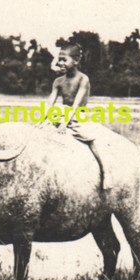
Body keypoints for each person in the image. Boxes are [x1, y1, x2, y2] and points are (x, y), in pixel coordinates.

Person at [42, 43, 108, 190]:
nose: (60, 63)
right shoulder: (58, 81)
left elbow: (76, 105)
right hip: (63, 113)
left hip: (78, 115)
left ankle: (105, 171)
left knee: (91, 139)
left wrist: (65, 123)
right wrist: (44, 118)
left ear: (76, 61)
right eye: (59, 59)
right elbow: (49, 103)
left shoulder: (83, 79)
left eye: (64, 60)